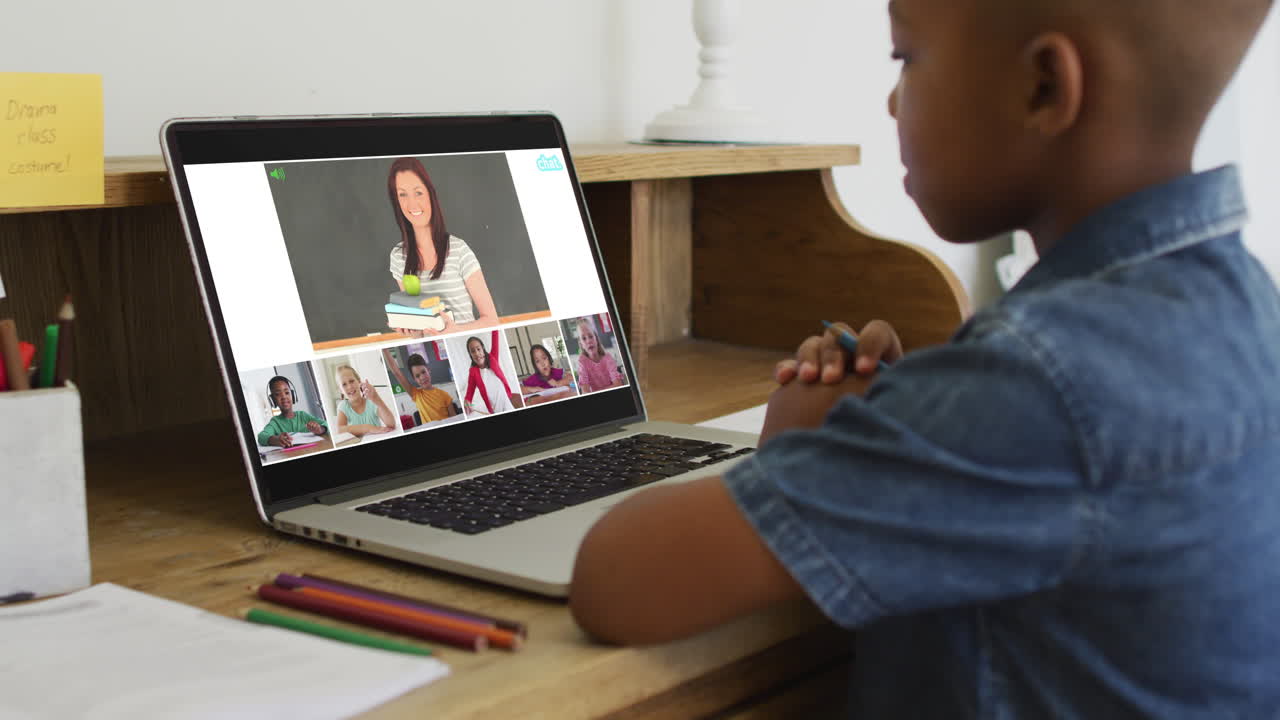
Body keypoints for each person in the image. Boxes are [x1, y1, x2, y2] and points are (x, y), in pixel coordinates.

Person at [569, 1, 1280, 717]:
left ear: (1043, 86)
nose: (889, 100)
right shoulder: (1247, 308)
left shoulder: (1035, 383)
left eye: (905, 59)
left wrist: (812, 449)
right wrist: (911, 420)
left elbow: (616, 581)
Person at [387, 157, 498, 337]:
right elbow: (419, 327)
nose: (412, 204)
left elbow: (492, 320)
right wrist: (408, 329)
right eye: (402, 194)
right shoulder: (398, 257)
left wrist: (456, 330)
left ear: (430, 194)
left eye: (418, 192)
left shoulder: (459, 250)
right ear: (397, 201)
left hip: (464, 342)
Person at [381, 348, 457, 426]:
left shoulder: (445, 395)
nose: (422, 377)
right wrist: (385, 350)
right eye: (417, 376)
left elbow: (454, 419)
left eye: (423, 372)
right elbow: (397, 373)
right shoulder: (416, 394)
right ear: (414, 379)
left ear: (428, 370)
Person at [257, 375, 328, 447]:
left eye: (287, 392)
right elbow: (261, 437)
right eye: (277, 394)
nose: (284, 397)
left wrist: (320, 429)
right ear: (272, 400)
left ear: (293, 395)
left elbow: (326, 423)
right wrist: (275, 439)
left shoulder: (303, 416)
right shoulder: (275, 422)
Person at [463, 330, 519, 415]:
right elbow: (470, 391)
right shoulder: (473, 372)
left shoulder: (493, 358)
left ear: (483, 348)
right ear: (470, 355)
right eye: (473, 351)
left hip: (506, 403)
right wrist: (467, 400)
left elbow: (495, 336)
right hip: (494, 409)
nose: (477, 353)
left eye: (478, 349)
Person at [332, 364, 395, 438]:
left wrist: (376, 398)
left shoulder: (371, 401)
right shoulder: (343, 406)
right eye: (344, 384)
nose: (349, 387)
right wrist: (367, 428)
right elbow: (340, 430)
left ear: (359, 381)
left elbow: (391, 424)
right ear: (340, 390)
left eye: (351, 381)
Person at [573, 316, 624, 394]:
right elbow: (585, 391)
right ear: (581, 344)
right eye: (584, 338)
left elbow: (618, 385)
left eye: (591, 336)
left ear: (596, 338)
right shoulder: (582, 361)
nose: (588, 341)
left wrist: (595, 392)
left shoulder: (608, 358)